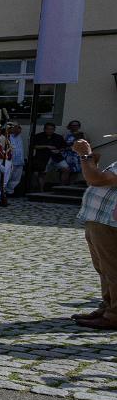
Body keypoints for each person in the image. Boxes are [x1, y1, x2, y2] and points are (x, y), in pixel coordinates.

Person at [72, 133, 117, 330]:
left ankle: (114, 314)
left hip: (110, 223)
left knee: (112, 269)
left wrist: (85, 156)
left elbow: (95, 179)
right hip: (100, 220)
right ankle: (108, 306)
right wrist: (89, 161)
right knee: (104, 268)